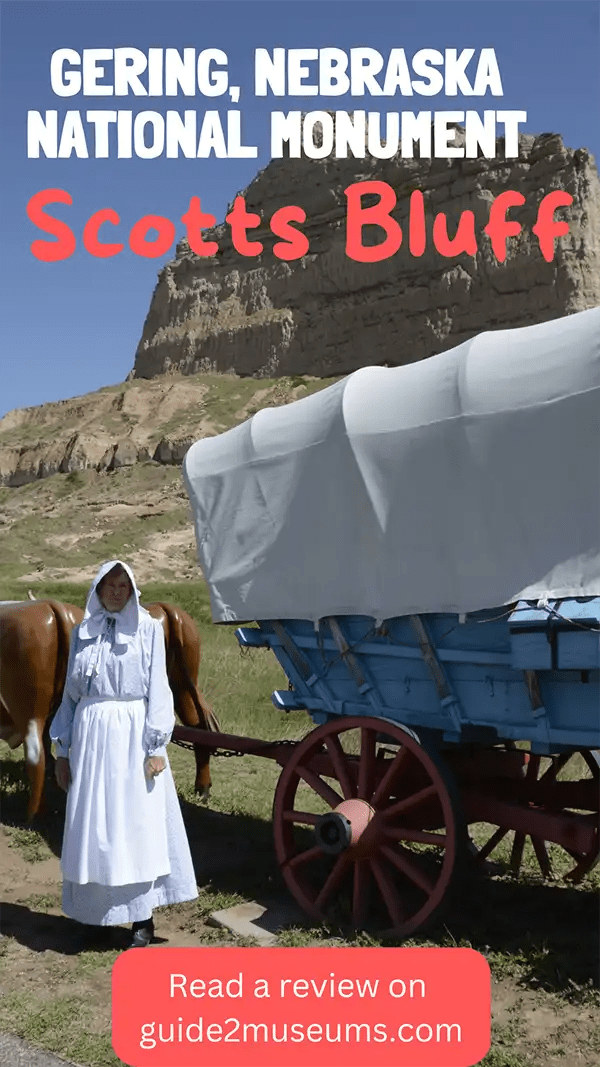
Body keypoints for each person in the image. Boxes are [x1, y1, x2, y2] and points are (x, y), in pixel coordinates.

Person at [50, 560, 198, 948]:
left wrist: (155, 746)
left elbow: (159, 690)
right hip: (89, 738)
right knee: (92, 826)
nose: (116, 592)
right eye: (109, 586)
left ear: (131, 591)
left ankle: (140, 918)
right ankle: (94, 915)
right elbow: (69, 696)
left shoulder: (147, 629)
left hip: (132, 737)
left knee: (134, 825)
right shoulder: (82, 632)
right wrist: (62, 750)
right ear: (98, 590)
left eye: (123, 586)